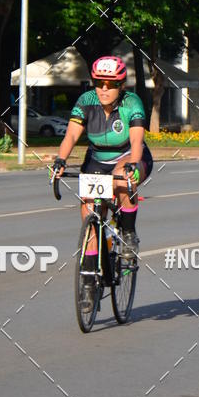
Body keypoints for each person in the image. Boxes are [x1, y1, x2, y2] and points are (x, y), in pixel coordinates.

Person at [51, 55, 153, 272]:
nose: (104, 89)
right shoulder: (86, 100)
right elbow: (71, 136)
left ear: (121, 85)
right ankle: (89, 277)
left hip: (129, 155)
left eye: (111, 84)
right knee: (89, 212)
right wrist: (61, 160)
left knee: (122, 181)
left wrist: (133, 164)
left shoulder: (132, 102)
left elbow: (137, 140)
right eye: (99, 83)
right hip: (97, 159)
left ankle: (129, 233)